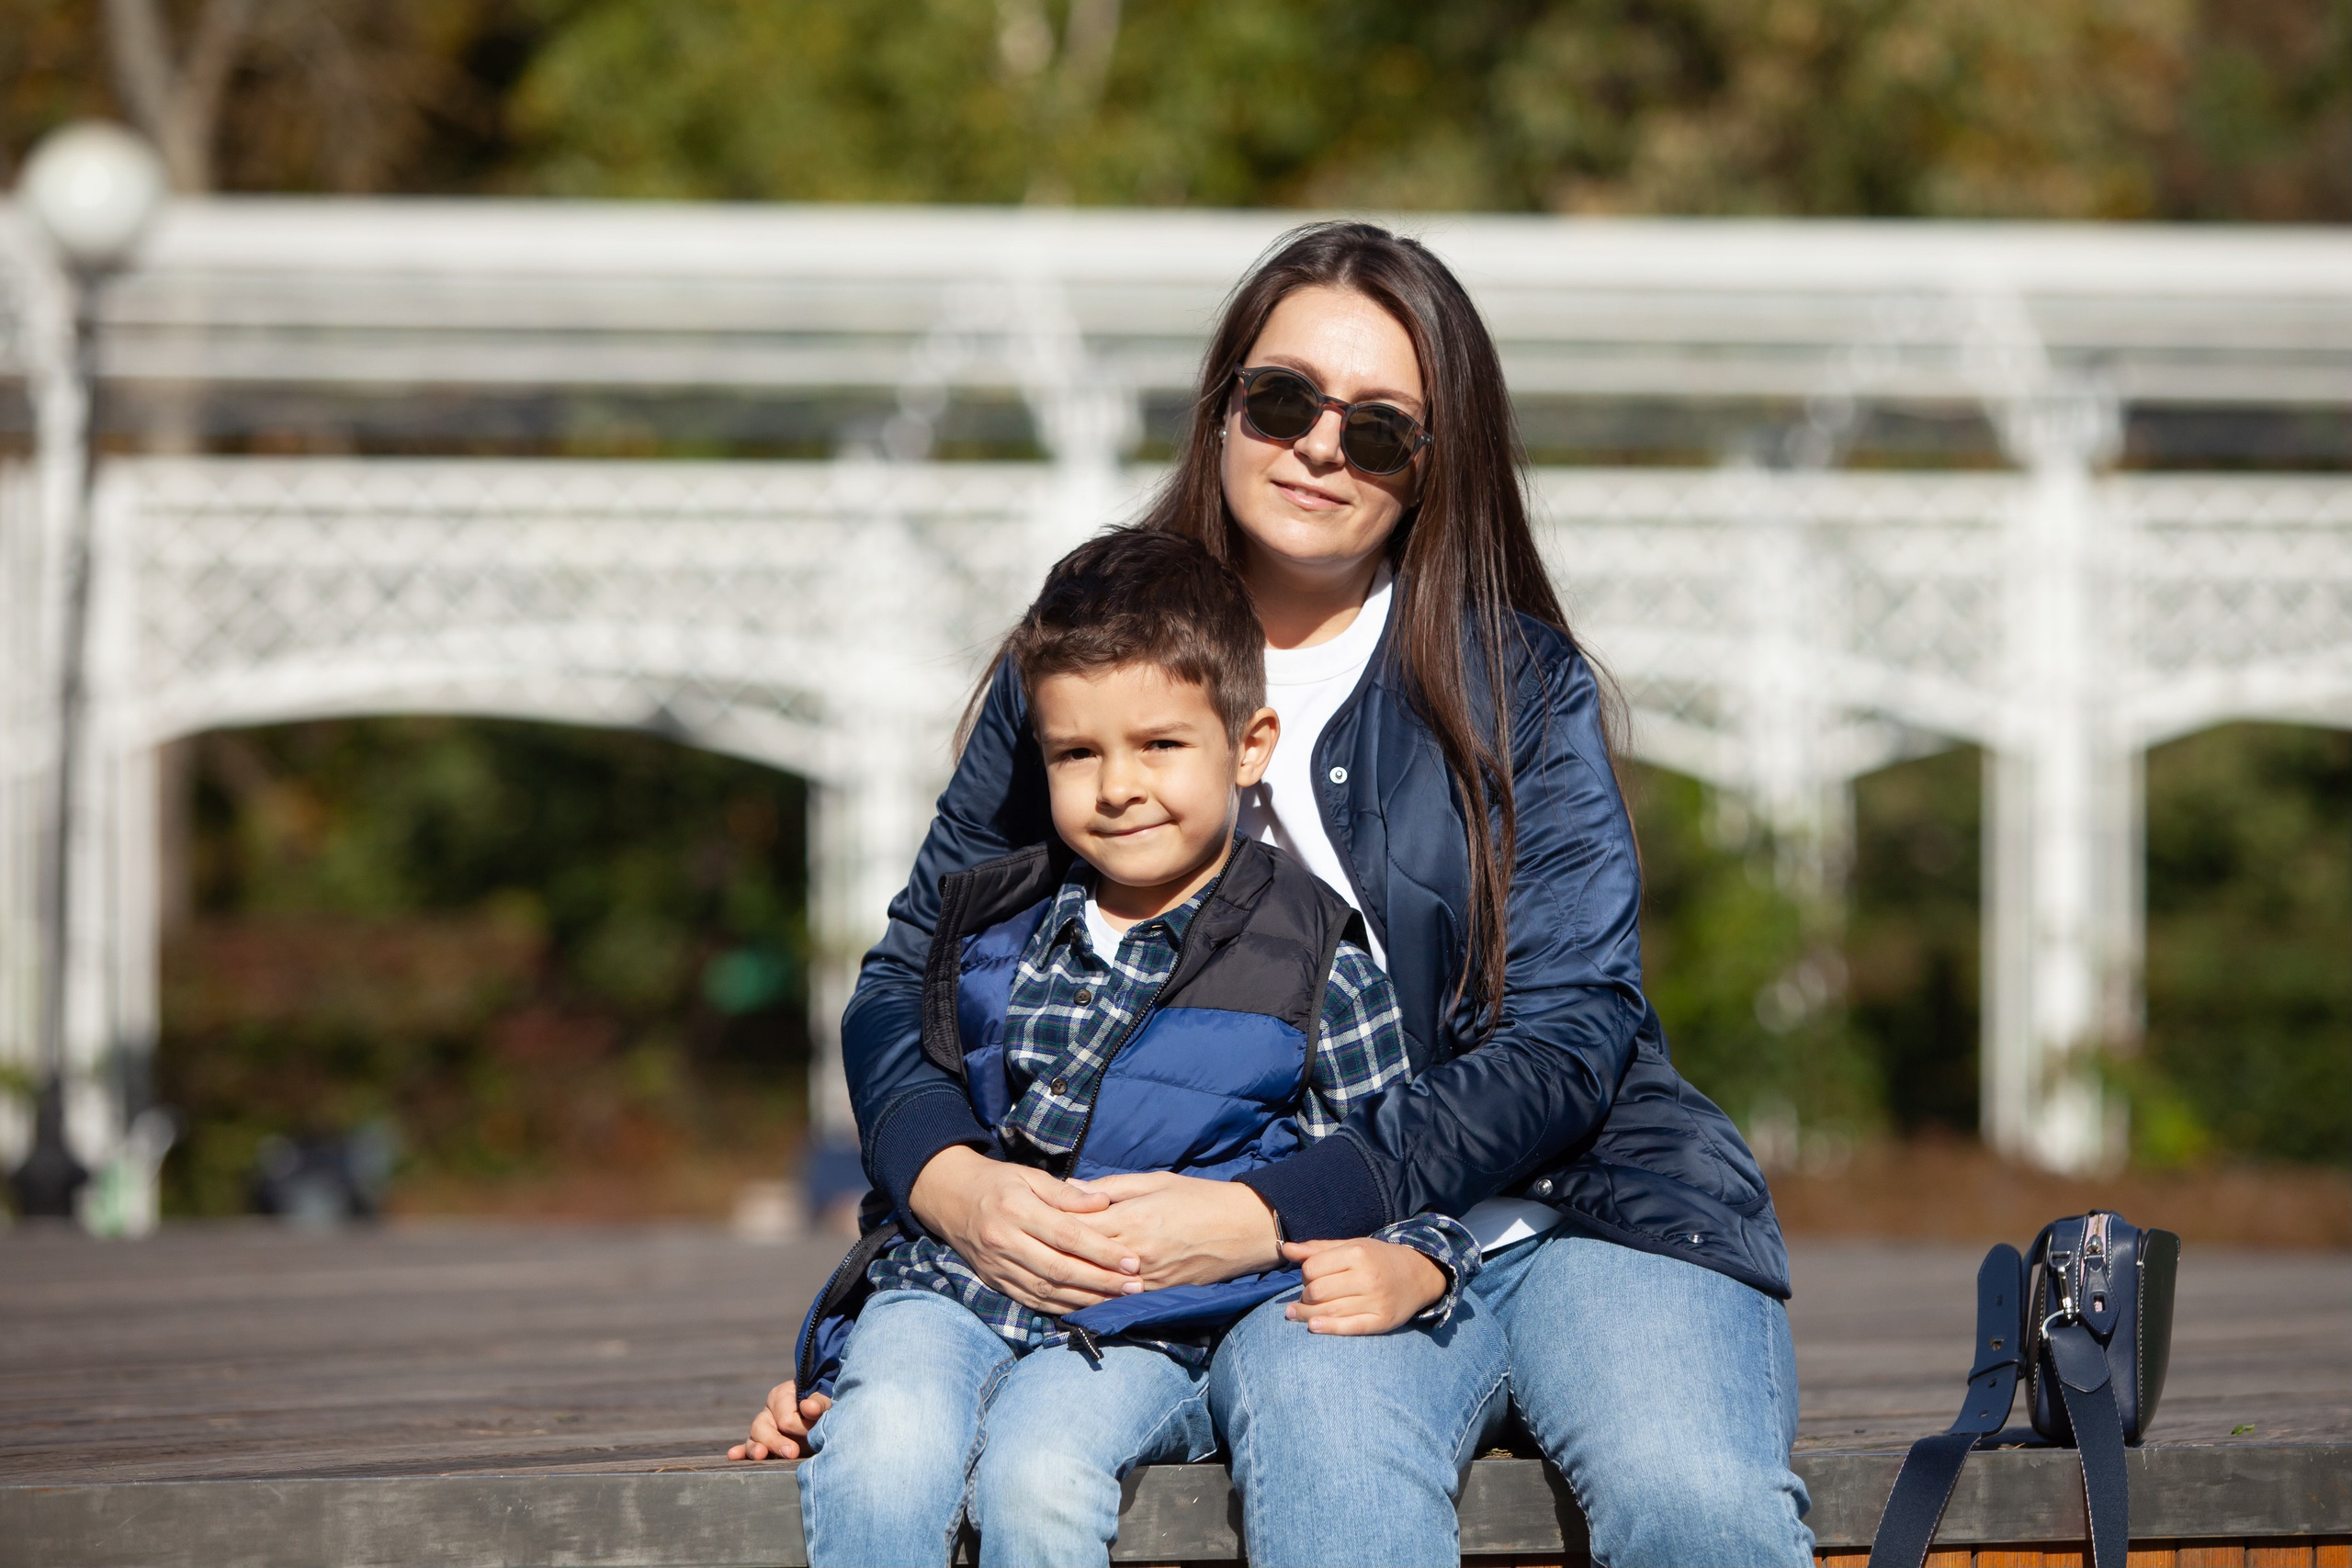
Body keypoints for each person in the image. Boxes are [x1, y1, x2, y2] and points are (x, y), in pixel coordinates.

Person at [820, 220, 1815, 1568]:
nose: (1318, 449)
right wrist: (949, 1186)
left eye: (1381, 430)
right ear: (1226, 401)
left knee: (1694, 1497)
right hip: (1288, 1268)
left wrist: (1282, 1202)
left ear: (1432, 465)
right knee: (1336, 1487)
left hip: (1586, 1203)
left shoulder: (1520, 684)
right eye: (1283, 400)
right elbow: (908, 984)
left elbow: (1574, 1030)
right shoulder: (1086, 660)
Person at [729, 528, 1481, 1568]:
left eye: (1160, 746)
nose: (1117, 787)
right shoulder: (996, 932)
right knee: (879, 1446)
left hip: (1149, 1329)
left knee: (1038, 1479)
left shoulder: (1313, 956)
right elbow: (915, 1178)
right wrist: (837, 1368)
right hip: (953, 1294)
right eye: (1077, 754)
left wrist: (1421, 1263)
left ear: (1249, 745)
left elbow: (1391, 1167)